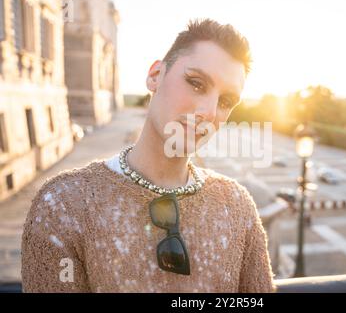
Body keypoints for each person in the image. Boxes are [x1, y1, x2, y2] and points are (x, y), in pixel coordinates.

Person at [21, 18, 277, 293]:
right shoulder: (63, 204)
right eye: (196, 83)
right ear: (155, 75)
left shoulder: (237, 205)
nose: (209, 112)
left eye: (225, 102)